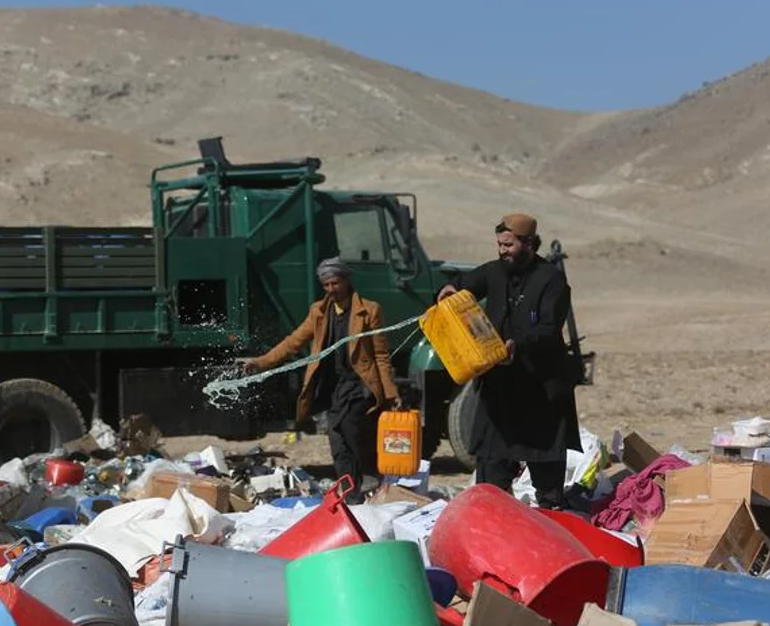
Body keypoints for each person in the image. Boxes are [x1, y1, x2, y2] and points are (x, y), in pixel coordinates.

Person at [436, 213, 581, 508]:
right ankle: (493, 516)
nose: (502, 250)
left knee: (545, 463)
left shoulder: (551, 279)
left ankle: (551, 517)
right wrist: (449, 290)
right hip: (500, 387)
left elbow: (548, 328)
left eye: (508, 245)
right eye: (499, 245)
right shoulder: (494, 272)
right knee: (492, 463)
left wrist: (518, 344)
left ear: (528, 244)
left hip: (539, 386)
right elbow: (461, 284)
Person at [240, 257, 401, 503]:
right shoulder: (319, 312)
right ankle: (351, 494)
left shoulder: (369, 310)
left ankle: (370, 475)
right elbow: (293, 342)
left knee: (351, 428)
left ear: (346, 281)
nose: (331, 290)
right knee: (337, 443)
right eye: (326, 285)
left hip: (359, 385)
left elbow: (380, 354)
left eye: (335, 284)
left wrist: (390, 392)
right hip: (332, 386)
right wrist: (261, 362)